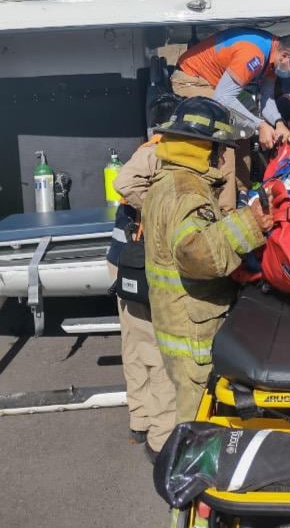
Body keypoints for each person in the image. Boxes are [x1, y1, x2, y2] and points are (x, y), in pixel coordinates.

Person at [142, 96, 273, 442]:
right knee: (200, 418)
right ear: (204, 146)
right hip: (194, 330)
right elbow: (196, 254)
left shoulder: (167, 181)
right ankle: (196, 486)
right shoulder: (188, 191)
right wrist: (250, 225)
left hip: (177, 321)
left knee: (191, 407)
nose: (221, 157)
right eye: (218, 148)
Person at [106, 94, 179, 459]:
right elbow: (124, 182)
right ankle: (160, 437)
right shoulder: (157, 151)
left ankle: (140, 421)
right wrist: (159, 206)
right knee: (155, 349)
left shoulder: (147, 146)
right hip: (138, 263)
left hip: (122, 260)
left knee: (134, 347)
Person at [171, 28, 290, 210]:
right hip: (192, 78)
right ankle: (226, 208)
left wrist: (278, 123)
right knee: (226, 133)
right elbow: (223, 98)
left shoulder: (273, 57)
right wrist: (260, 125)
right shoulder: (253, 54)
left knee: (246, 120)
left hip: (218, 85)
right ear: (285, 56)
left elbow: (267, 98)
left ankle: (242, 193)